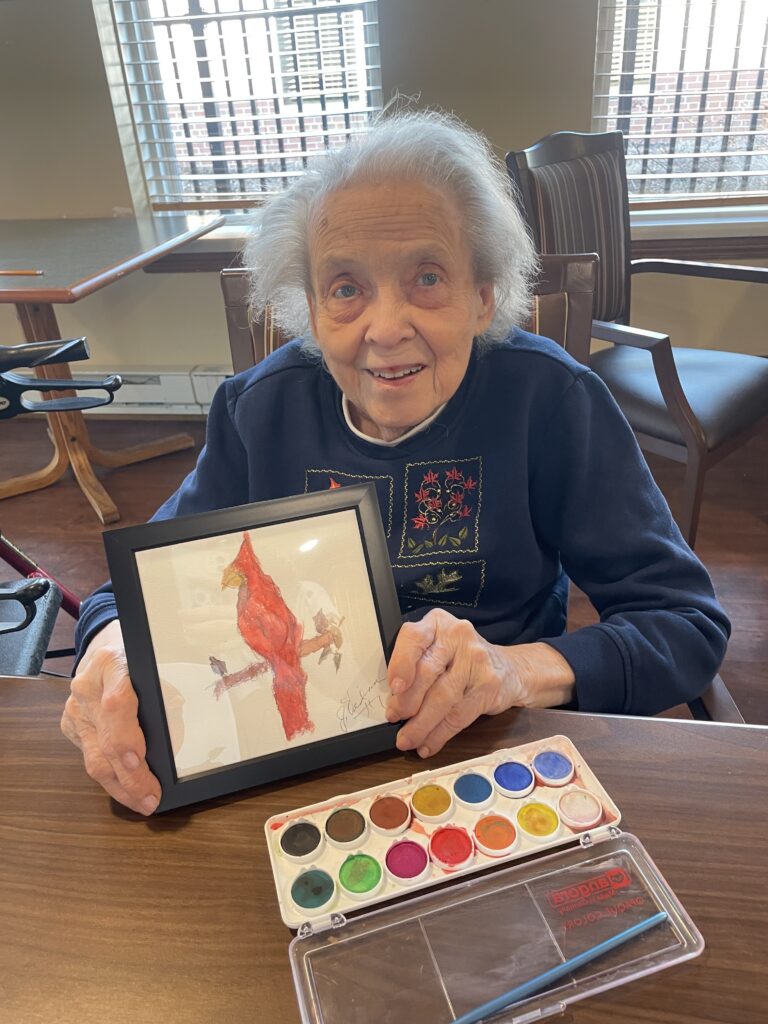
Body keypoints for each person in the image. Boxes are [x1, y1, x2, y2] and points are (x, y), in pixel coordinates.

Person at [61, 110, 730, 816]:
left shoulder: (550, 401)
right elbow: (128, 597)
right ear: (313, 313)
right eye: (346, 288)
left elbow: (683, 623)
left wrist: (515, 669)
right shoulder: (259, 411)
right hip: (299, 761)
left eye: (428, 277)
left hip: (493, 752)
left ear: (482, 296)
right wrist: (110, 650)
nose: (385, 329)